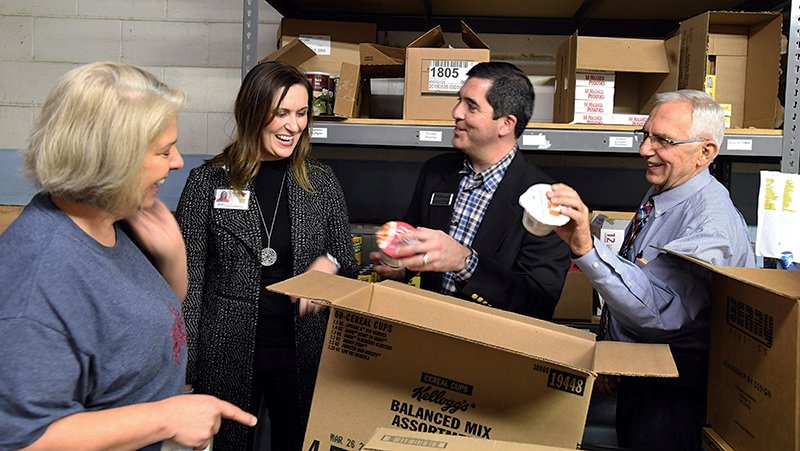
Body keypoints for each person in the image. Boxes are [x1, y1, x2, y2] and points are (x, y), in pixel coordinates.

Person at [0, 62, 256, 450]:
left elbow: (140, 317)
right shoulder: (38, 281)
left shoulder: (111, 219)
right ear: (112, 159)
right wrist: (165, 419)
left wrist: (172, 257)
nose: (177, 161)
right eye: (164, 150)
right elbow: (23, 440)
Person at [548, 89, 756, 451]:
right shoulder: (667, 190)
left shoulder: (710, 224)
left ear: (705, 152)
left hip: (675, 400)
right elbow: (641, 274)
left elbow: (659, 312)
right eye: (645, 136)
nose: (645, 150)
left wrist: (586, 248)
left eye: (663, 140)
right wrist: (616, 350)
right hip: (646, 378)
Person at [176, 61, 357, 451]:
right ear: (253, 112)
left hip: (303, 353)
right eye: (281, 113)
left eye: (302, 113)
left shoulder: (321, 183)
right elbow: (188, 284)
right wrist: (185, 368)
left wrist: (332, 266)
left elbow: (347, 260)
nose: (294, 126)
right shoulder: (207, 183)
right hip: (226, 351)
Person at [370, 61, 570, 319]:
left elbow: (538, 304)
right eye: (459, 101)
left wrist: (465, 262)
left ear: (506, 124)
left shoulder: (546, 201)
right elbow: (414, 245)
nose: (456, 112)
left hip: (493, 348)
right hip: (428, 332)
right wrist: (400, 268)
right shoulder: (436, 172)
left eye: (471, 106)